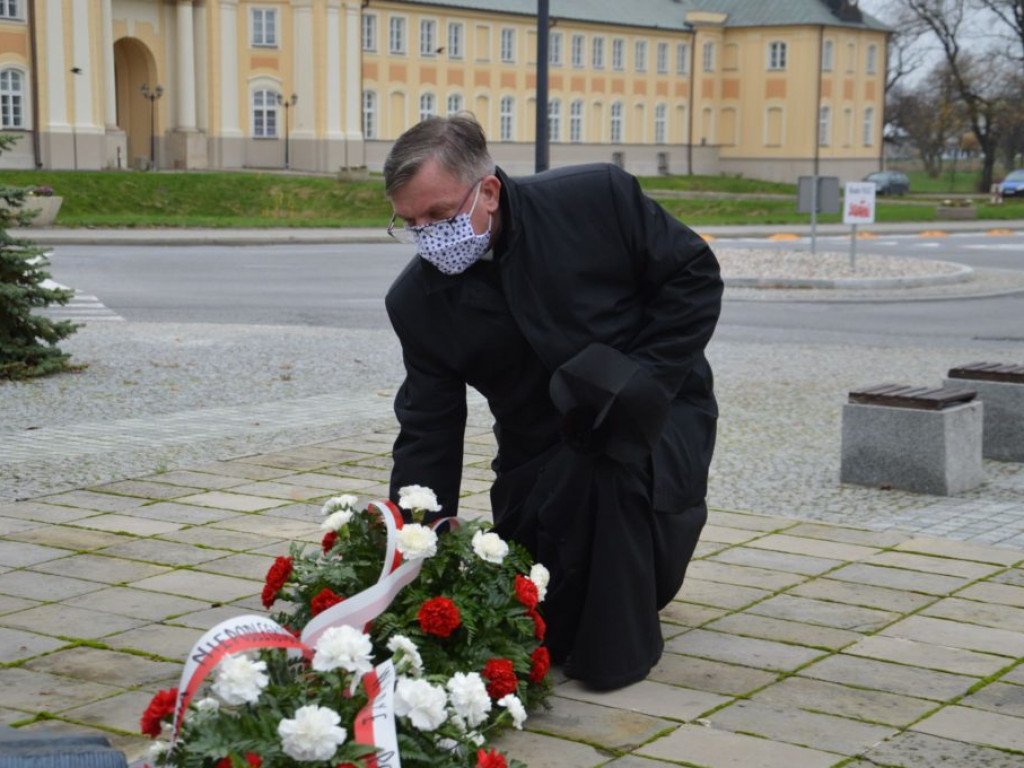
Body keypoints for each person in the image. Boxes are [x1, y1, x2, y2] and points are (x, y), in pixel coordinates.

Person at [383, 115, 722, 690]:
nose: (427, 233)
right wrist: (414, 546)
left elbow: (693, 277)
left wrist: (634, 382)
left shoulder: (596, 199)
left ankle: (614, 656)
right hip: (537, 457)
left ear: (487, 191)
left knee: (609, 483)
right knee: (534, 605)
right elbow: (428, 429)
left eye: (438, 215)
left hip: (654, 416)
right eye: (409, 222)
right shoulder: (417, 301)